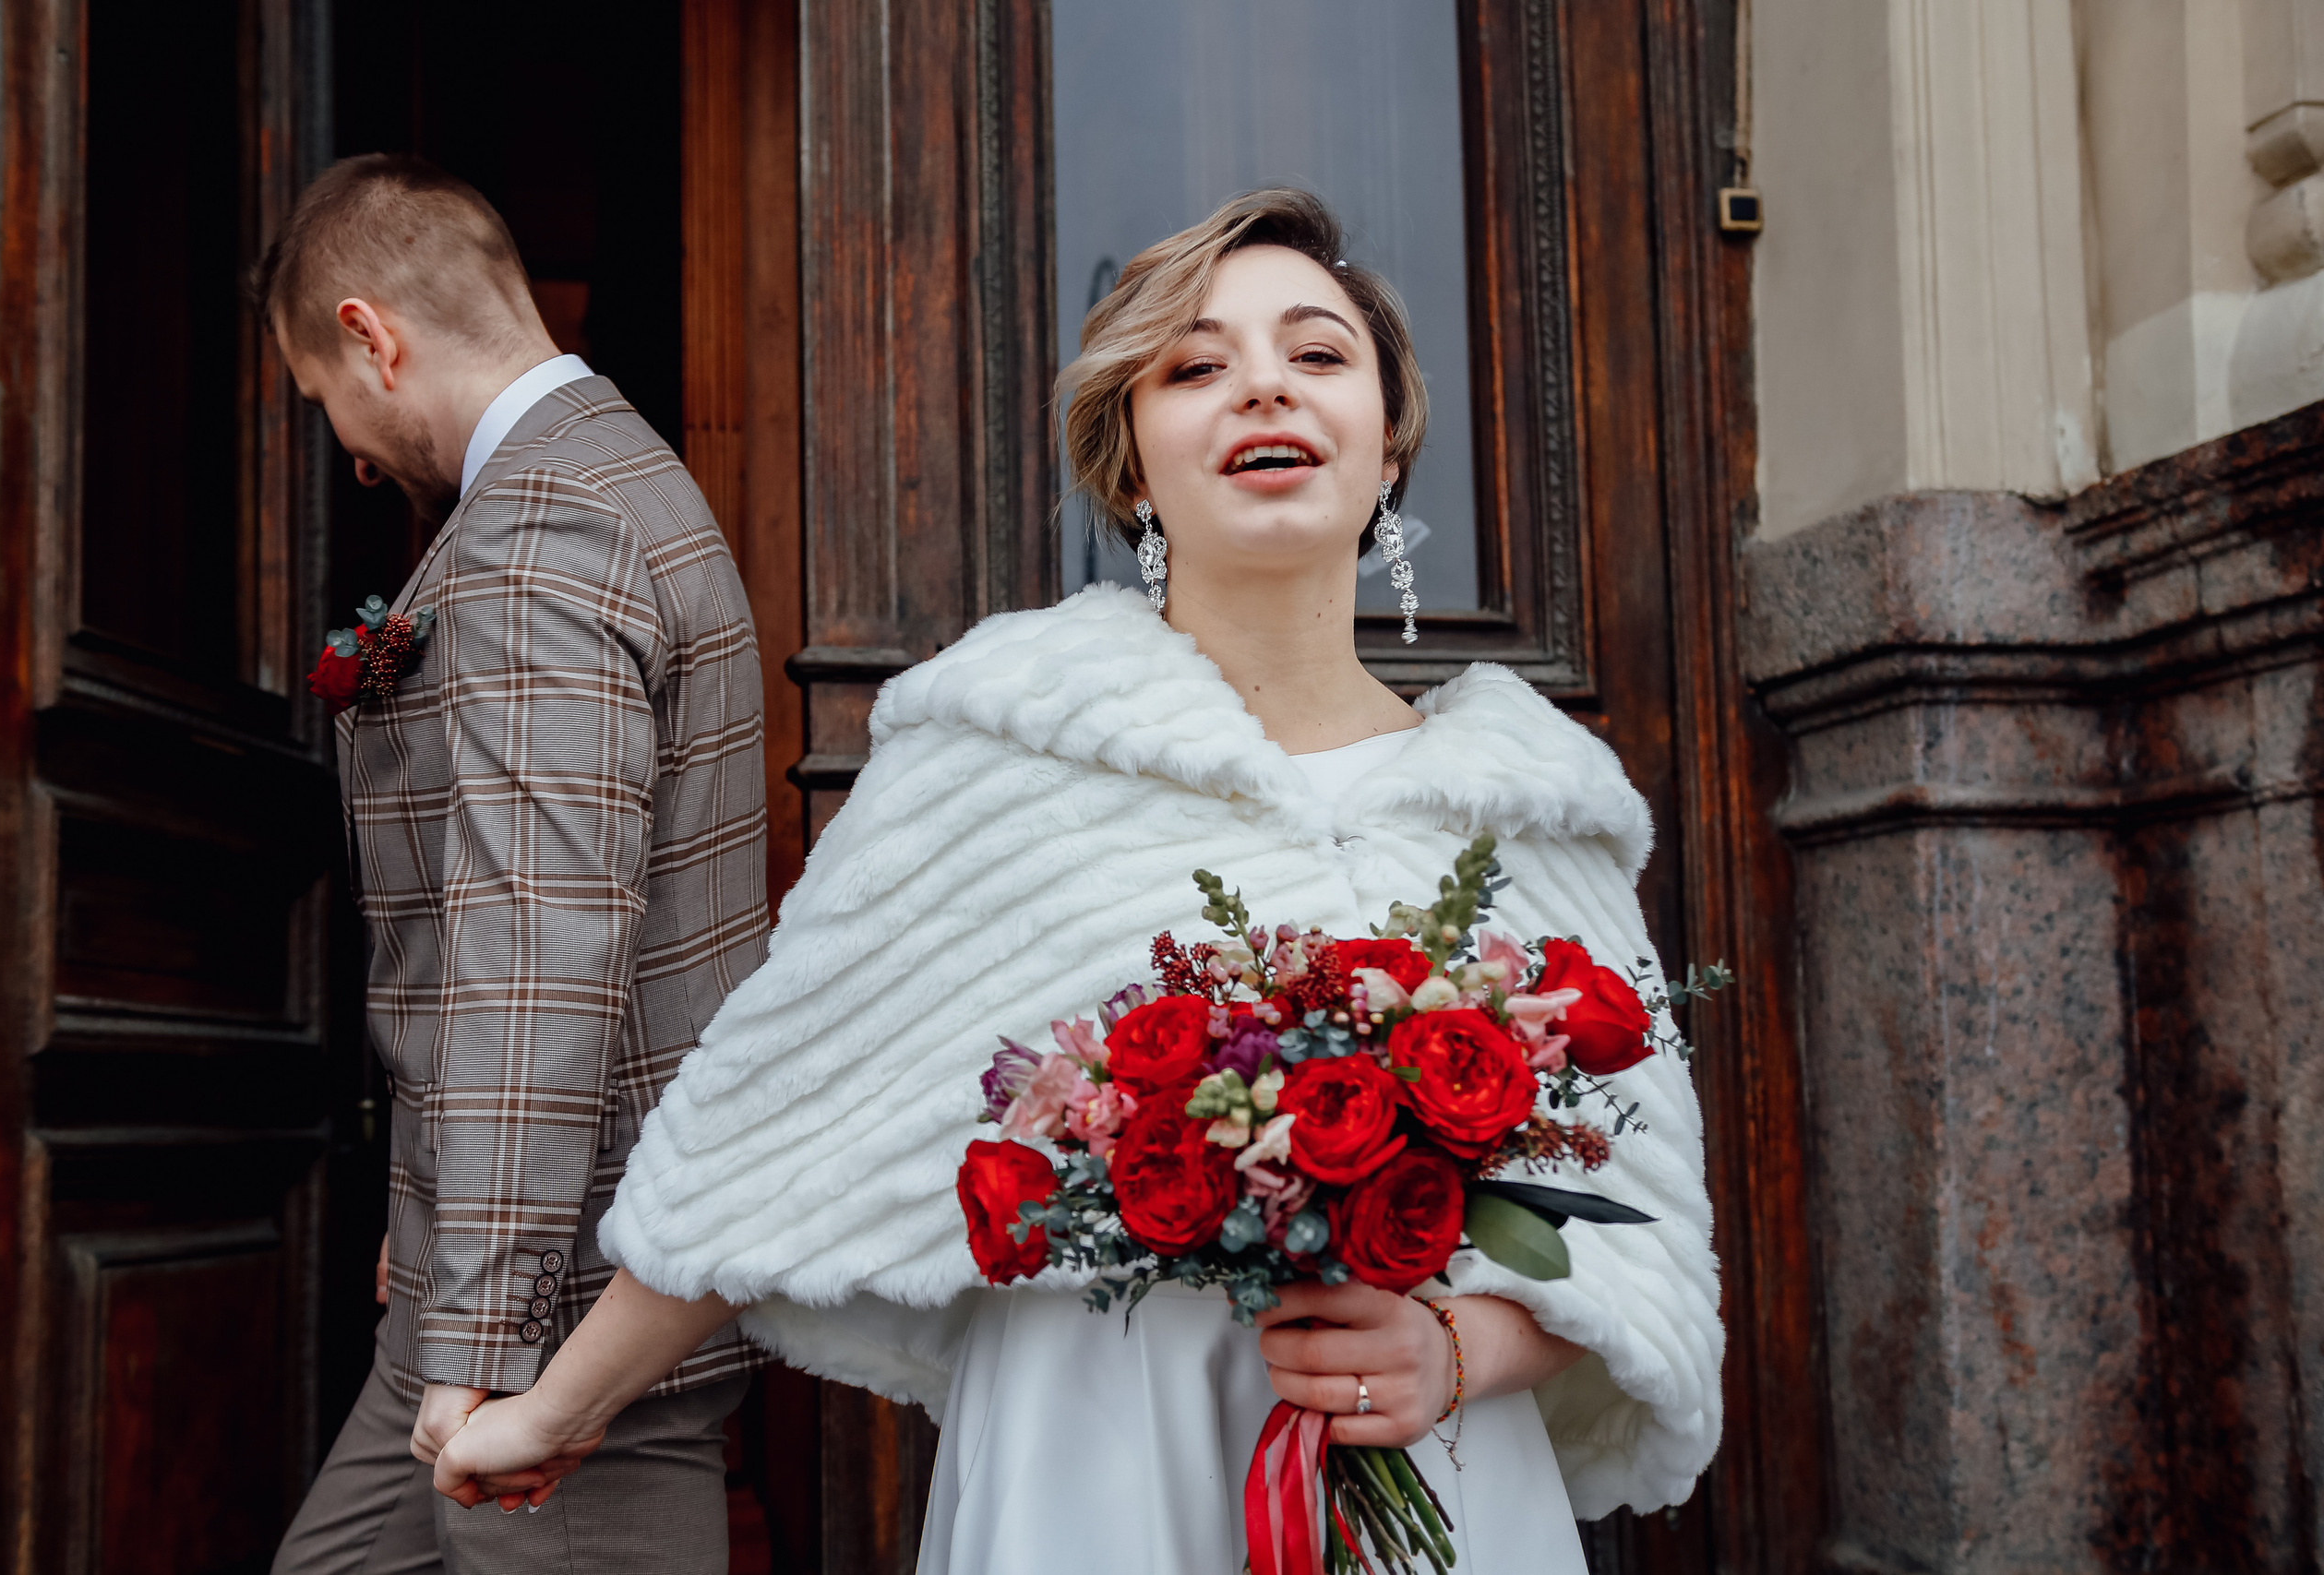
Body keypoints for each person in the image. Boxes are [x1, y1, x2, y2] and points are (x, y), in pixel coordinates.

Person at [434, 188, 1721, 1571]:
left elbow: (1638, 1241)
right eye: (1197, 366)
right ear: (1130, 462)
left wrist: (1455, 1351)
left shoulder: (1535, 810)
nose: (1265, 386)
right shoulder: (996, 755)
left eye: (1317, 352)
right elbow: (766, 1128)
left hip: (1435, 1470)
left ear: (1390, 438)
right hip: (1095, 1453)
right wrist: (556, 1410)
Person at [260, 154, 771, 1573]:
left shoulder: (543, 527)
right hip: (485, 1260)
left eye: (324, 399)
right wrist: (432, 1224)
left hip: (560, 1315)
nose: (351, 453)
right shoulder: (601, 476)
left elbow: (536, 952)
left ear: (372, 337)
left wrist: (485, 1339)